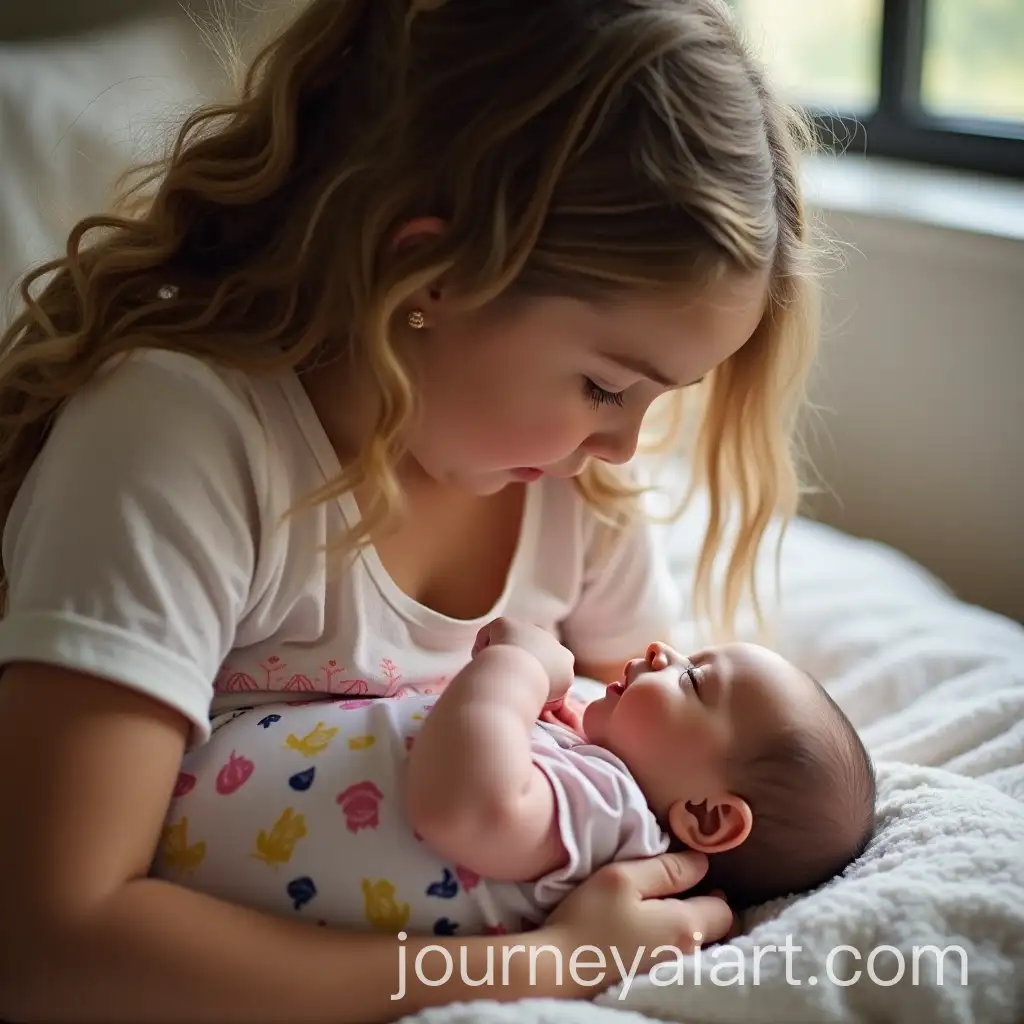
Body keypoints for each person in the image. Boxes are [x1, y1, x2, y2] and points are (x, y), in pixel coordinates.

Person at [0, 0, 823, 1021]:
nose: (622, 444)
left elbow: (665, 776)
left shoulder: (579, 498)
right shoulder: (182, 437)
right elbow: (51, 949)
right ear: (424, 274)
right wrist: (541, 967)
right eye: (607, 386)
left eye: (663, 398)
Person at [152, 620, 874, 933]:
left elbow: (466, 807)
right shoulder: (596, 764)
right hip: (172, 799)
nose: (663, 651)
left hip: (179, 856)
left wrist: (518, 668)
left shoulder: (617, 819)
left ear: (708, 818)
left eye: (694, 682)